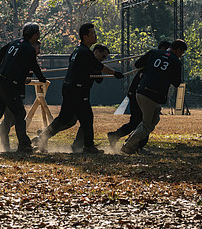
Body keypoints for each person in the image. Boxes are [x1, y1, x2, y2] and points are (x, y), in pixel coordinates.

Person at [34, 24, 123, 154]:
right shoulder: (85, 52)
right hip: (78, 89)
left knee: (64, 118)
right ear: (85, 36)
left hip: (69, 88)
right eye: (93, 33)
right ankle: (88, 146)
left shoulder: (77, 51)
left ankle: (41, 138)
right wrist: (115, 73)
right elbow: (100, 67)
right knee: (87, 117)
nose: (95, 35)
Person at [0, 22, 47, 153]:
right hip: (10, 85)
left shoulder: (15, 43)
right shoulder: (28, 49)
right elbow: (34, 66)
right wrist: (42, 79)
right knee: (19, 113)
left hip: (0, 82)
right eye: (38, 33)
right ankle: (24, 145)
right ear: (34, 35)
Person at [120, 39, 187, 155]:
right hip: (153, 95)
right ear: (178, 50)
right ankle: (129, 146)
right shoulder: (176, 62)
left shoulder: (154, 52)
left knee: (153, 120)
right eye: (182, 53)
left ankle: (132, 141)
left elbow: (137, 64)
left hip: (140, 92)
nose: (181, 56)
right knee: (147, 124)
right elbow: (176, 83)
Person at [106, 40, 171, 152]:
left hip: (139, 93)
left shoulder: (157, 61)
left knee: (142, 121)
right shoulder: (155, 59)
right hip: (138, 93)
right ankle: (130, 142)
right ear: (163, 48)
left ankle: (131, 142)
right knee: (140, 122)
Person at [67, 42, 125, 152]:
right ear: (96, 52)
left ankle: (79, 144)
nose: (104, 59)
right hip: (77, 92)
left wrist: (97, 69)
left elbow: (99, 79)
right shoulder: (86, 58)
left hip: (83, 93)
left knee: (82, 119)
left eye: (106, 57)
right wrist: (113, 72)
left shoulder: (96, 64)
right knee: (72, 119)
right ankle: (84, 145)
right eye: (103, 56)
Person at [0, 40, 41, 152]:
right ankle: (6, 144)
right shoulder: (22, 56)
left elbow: (26, 77)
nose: (39, 51)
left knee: (13, 118)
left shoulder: (30, 58)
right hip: (10, 89)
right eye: (38, 48)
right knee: (10, 117)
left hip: (17, 90)